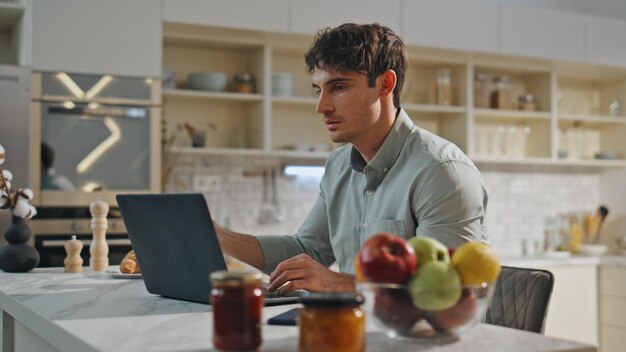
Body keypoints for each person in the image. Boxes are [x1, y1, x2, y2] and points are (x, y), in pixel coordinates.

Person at [213, 23, 488, 294]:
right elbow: (307, 250)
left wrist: (336, 283)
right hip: (355, 329)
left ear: (385, 84)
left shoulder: (441, 172)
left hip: (426, 337)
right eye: (318, 90)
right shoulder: (338, 165)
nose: (322, 107)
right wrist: (218, 236)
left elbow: (445, 290)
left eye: (339, 87)